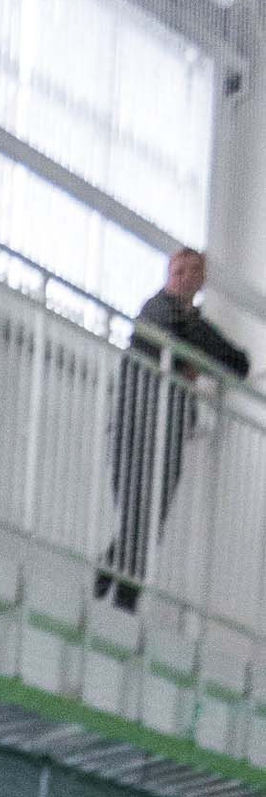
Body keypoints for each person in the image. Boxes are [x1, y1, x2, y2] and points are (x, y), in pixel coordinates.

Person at [96, 247, 252, 613]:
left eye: (192, 271)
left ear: (201, 281)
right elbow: (168, 332)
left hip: (169, 429)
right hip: (133, 425)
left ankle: (114, 582)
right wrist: (194, 359)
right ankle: (116, 588)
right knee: (136, 510)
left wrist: (189, 358)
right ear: (168, 274)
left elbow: (238, 363)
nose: (182, 276)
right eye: (177, 269)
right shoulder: (155, 309)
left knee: (151, 517)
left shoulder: (193, 323)